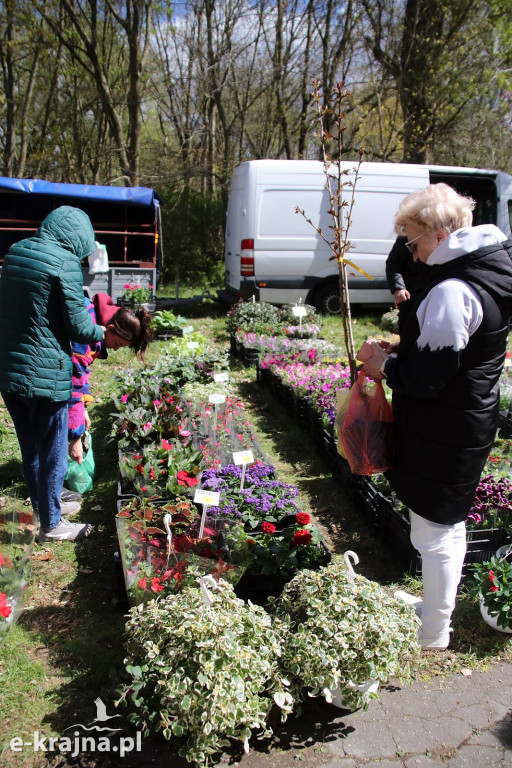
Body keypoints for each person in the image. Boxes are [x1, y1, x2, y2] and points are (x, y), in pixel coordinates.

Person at [361, 183, 512, 650]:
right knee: (447, 522)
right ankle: (436, 613)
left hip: (445, 425)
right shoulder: (487, 270)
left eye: (413, 240)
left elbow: (428, 379)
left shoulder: (453, 288)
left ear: (439, 233)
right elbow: (460, 350)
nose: (413, 254)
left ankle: (433, 630)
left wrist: (381, 365)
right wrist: (406, 347)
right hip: (465, 417)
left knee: (434, 528)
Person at [0, 206, 106, 542]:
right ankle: (53, 524)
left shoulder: (17, 252)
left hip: (10, 370)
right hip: (45, 377)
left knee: (30, 447)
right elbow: (78, 326)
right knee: (52, 451)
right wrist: (101, 330)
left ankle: (47, 506)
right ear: (76, 238)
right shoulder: (65, 263)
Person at [67, 293, 152, 465]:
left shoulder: (94, 318)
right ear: (111, 328)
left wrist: (83, 408)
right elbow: (74, 382)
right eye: (118, 344)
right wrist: (75, 436)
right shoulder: (86, 333)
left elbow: (82, 373)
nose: (115, 349)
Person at [385, 235, 428, 336]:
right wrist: (398, 288)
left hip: (431, 293)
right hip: (410, 296)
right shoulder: (405, 237)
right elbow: (393, 264)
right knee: (408, 332)